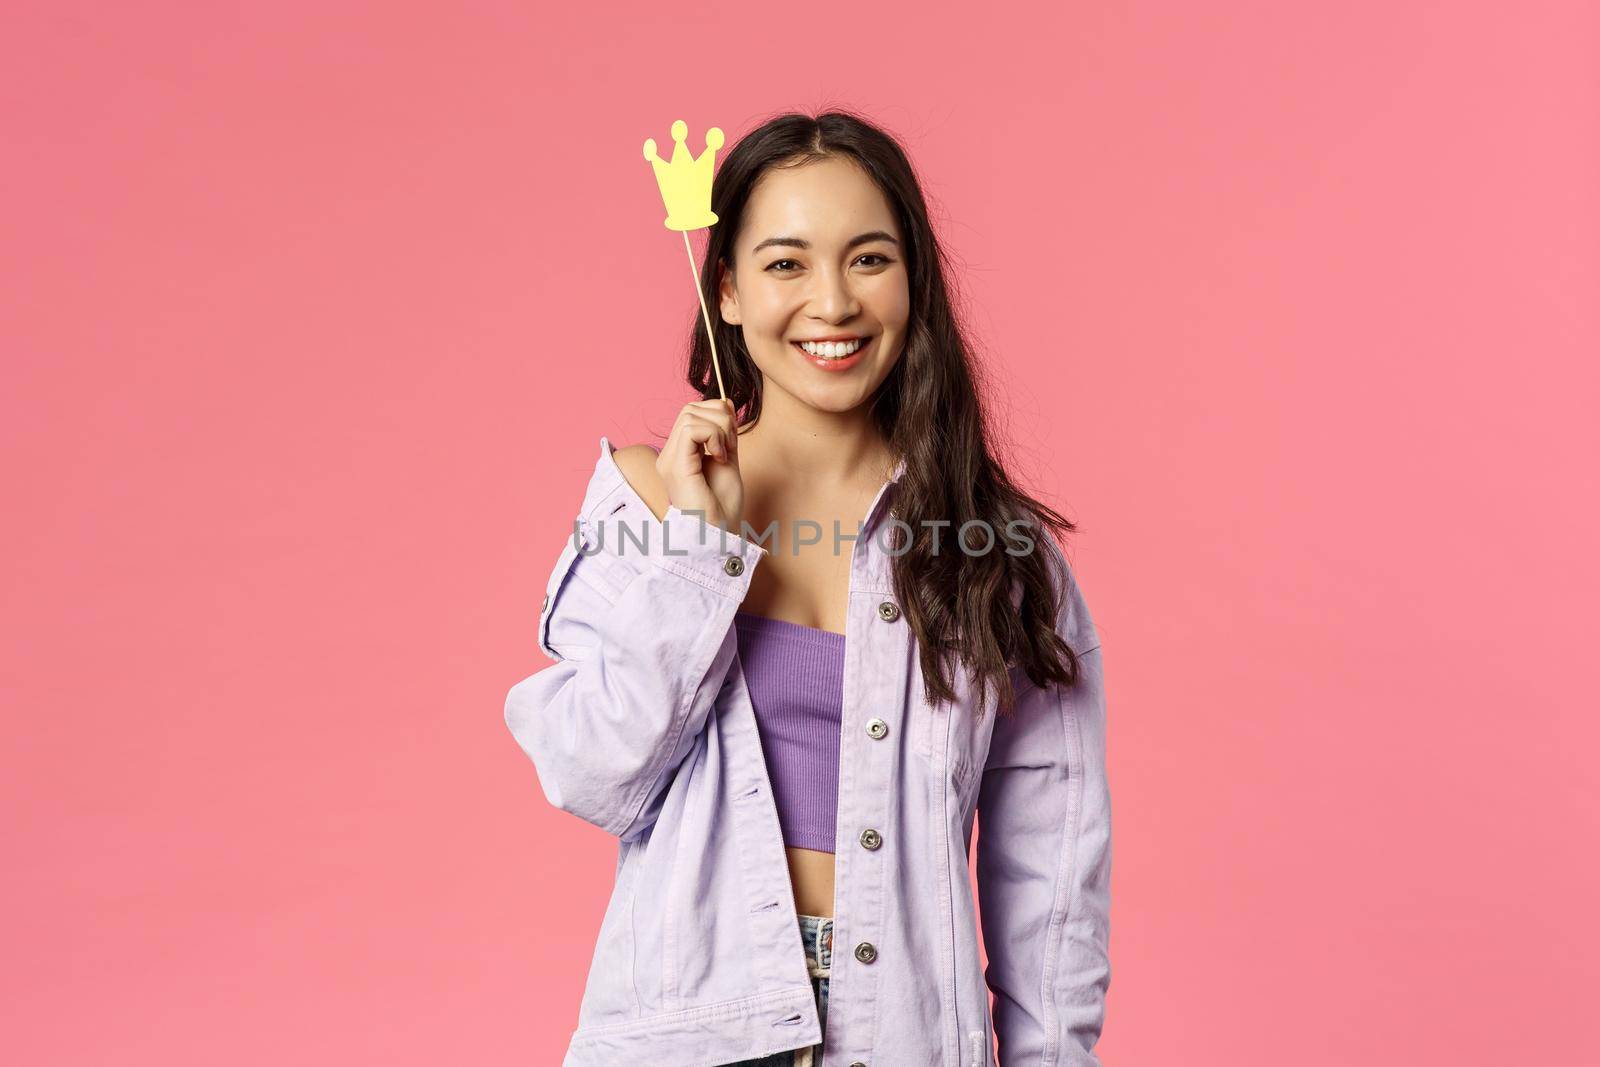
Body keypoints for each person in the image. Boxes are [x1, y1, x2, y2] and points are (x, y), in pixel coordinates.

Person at [504, 109, 1111, 1066]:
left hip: (909, 1033)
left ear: (914, 283)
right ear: (730, 292)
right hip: (692, 1032)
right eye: (786, 263)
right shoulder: (647, 502)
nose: (832, 302)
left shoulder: (1000, 549)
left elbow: (1054, 875)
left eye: (869, 259)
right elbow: (592, 772)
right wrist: (699, 551)